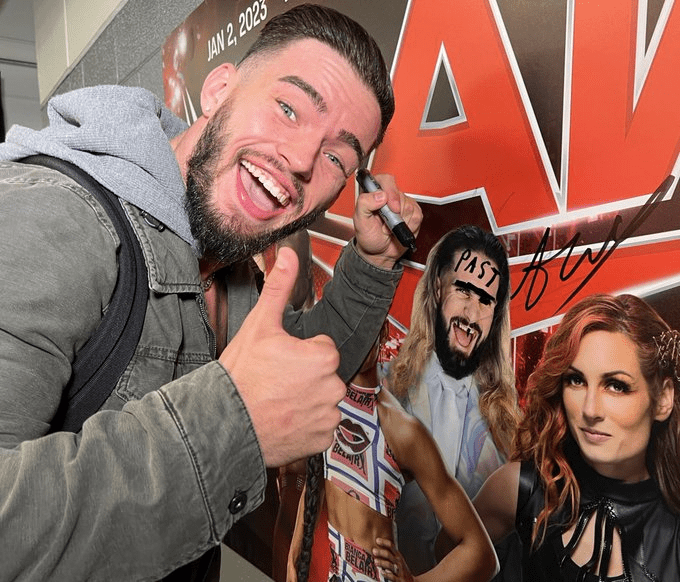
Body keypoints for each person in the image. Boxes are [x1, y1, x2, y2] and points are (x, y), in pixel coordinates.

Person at [0, 4, 422, 581]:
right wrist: (233, 424)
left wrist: (373, 261)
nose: (301, 161)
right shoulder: (54, 219)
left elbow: (299, 372)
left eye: (335, 158)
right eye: (288, 107)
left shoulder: (229, 266)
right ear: (219, 89)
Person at [473, 293, 680, 581]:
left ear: (663, 400)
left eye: (616, 386)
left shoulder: (674, 528)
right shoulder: (523, 490)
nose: (589, 410)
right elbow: (442, 557)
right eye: (576, 380)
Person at [288, 323, 498, 582]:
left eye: (367, 324)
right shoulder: (326, 402)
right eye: (351, 323)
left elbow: (482, 555)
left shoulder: (403, 430)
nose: (357, 337)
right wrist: (293, 559)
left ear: (383, 332)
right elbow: (315, 481)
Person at [386, 225, 519, 573]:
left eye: (485, 300)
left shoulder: (511, 431)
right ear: (437, 287)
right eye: (463, 290)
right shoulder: (386, 391)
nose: (472, 315)